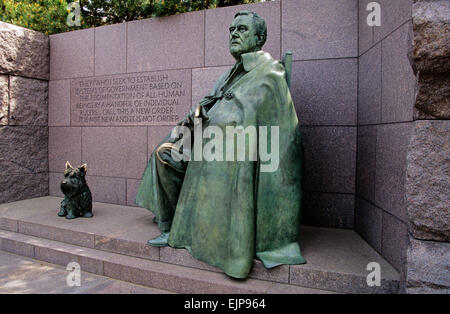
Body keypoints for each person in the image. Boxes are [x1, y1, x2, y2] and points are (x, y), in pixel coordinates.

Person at [136, 10, 306, 279]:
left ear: (259, 38)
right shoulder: (229, 75)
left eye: (242, 29)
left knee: (204, 155)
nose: (234, 34)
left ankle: (210, 238)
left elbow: (268, 126)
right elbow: (211, 102)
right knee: (165, 155)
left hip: (233, 151)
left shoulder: (270, 73)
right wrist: (198, 115)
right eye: (231, 29)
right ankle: (171, 225)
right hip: (206, 140)